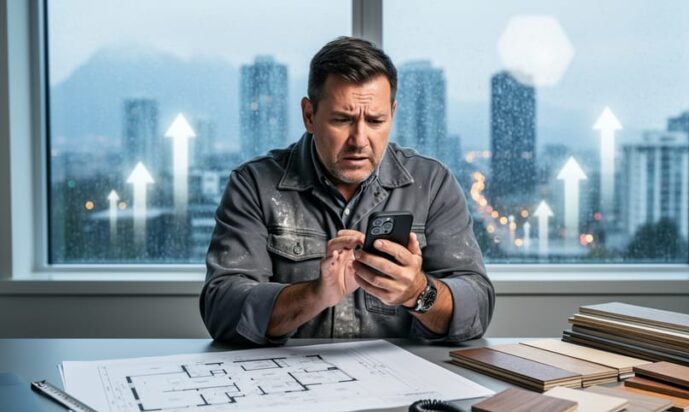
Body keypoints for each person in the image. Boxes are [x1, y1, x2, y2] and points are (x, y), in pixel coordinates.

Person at [200, 37, 494, 345]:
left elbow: (477, 307)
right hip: (289, 384)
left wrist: (417, 292)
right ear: (309, 116)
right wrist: (315, 295)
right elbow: (221, 309)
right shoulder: (254, 185)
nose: (359, 140)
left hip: (401, 385)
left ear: (392, 114)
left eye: (376, 121)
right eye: (342, 120)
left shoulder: (432, 184)